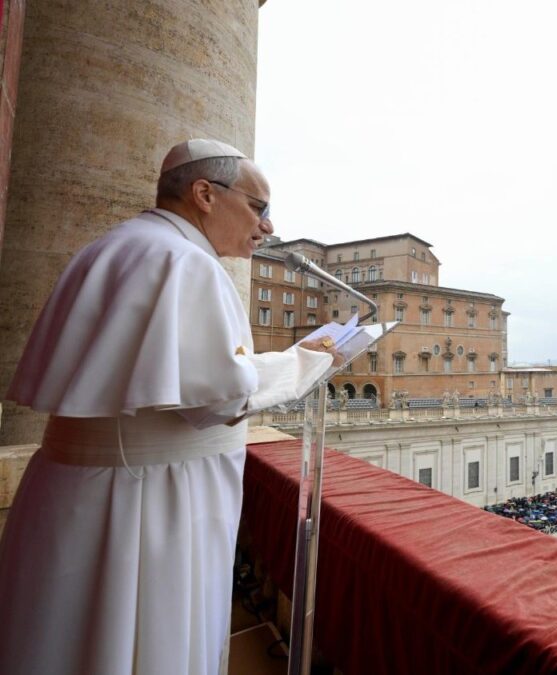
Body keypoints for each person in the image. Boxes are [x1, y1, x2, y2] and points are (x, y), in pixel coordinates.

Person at [0, 139, 342, 675]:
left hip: (75, 493)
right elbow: (218, 398)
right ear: (205, 194)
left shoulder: (111, 246)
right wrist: (308, 362)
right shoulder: (187, 262)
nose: (267, 226)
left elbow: (188, 376)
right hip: (146, 504)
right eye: (259, 206)